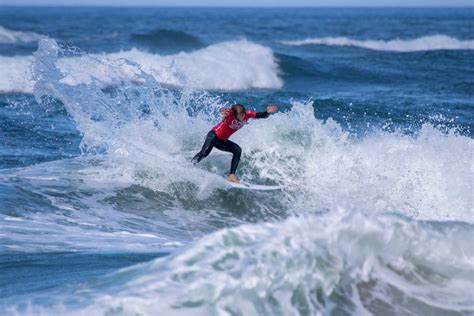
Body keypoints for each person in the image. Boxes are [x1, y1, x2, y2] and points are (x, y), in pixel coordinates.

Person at [192, 103, 278, 183]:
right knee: (204, 153)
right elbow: (225, 110)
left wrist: (267, 112)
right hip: (213, 136)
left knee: (237, 150)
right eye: (239, 115)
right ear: (235, 114)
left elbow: (262, 115)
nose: (242, 117)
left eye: (243, 114)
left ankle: (231, 175)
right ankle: (190, 165)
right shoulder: (230, 115)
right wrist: (223, 110)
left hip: (222, 141)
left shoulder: (247, 114)